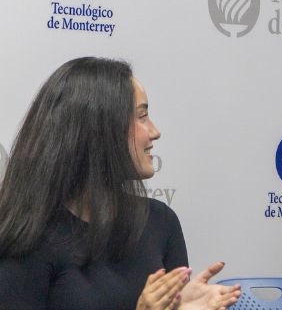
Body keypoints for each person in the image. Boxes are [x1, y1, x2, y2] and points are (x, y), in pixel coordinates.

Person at [0, 57, 241, 310]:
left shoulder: (161, 221)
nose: (154, 131)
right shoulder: (29, 240)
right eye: (142, 116)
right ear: (100, 130)